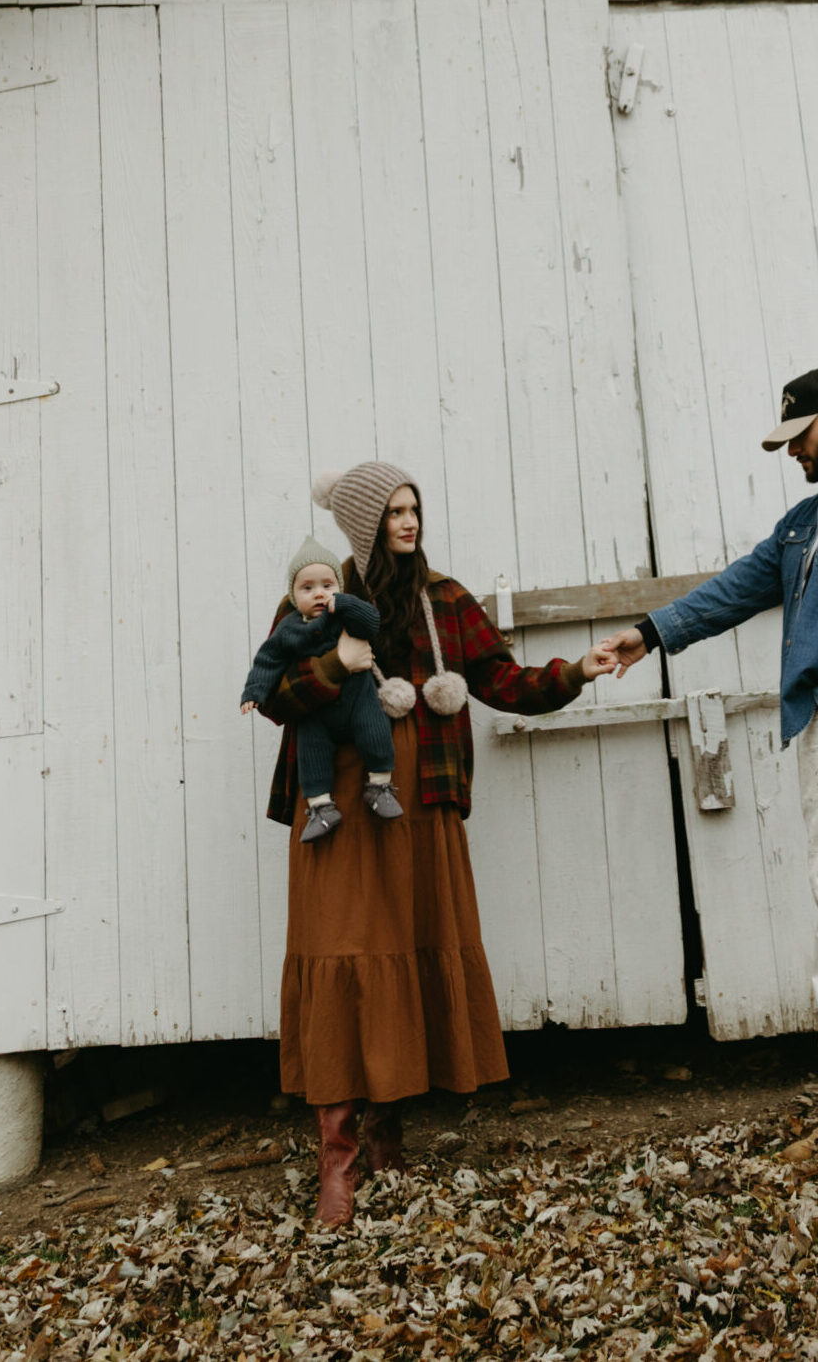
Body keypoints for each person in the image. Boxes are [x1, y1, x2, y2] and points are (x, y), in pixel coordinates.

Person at [253, 460, 619, 1227]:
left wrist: (575, 672)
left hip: (420, 803)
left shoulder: (446, 599)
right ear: (365, 523)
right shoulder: (319, 593)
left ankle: (385, 1135)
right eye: (394, 511)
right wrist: (336, 663)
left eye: (414, 508)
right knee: (342, 951)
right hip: (338, 805)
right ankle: (337, 1161)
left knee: (406, 949)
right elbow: (277, 696)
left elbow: (503, 681)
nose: (410, 522)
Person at [601, 368, 818, 1160]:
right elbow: (738, 586)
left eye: (800, 435)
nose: (792, 451)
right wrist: (649, 634)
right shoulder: (811, 517)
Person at [239, 535, 402, 842]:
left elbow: (372, 622)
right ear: (293, 595)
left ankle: (379, 786)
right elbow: (268, 660)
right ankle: (321, 808)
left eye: (328, 585)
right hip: (316, 711)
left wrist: (347, 603)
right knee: (311, 752)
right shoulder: (289, 628)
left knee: (376, 731)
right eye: (307, 588)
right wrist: (253, 692)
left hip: (359, 698)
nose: (319, 594)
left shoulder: (344, 615)